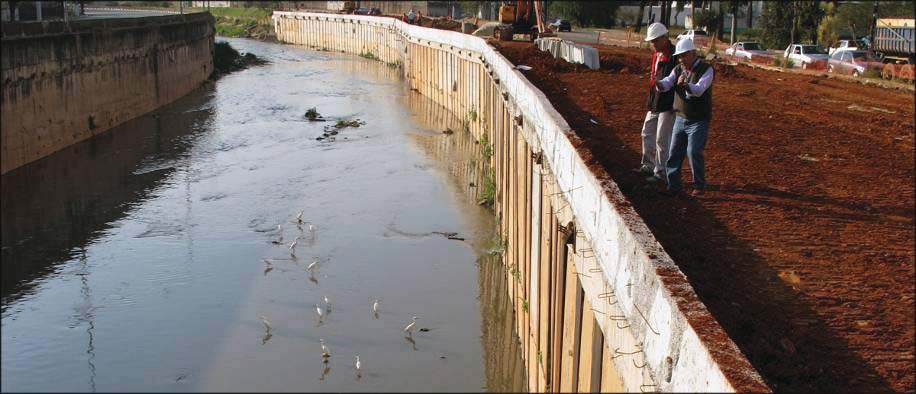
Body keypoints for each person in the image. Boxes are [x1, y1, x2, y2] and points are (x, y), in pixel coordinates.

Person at [655, 39, 715, 197]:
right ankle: (673, 184)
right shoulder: (678, 69)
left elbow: (699, 90)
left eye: (684, 56)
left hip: (698, 119)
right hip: (681, 117)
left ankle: (699, 185)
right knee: (675, 152)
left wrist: (686, 85)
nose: (681, 59)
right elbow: (667, 82)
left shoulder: (706, 70)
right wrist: (659, 84)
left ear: (693, 53)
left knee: (694, 151)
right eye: (679, 56)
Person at [634, 22, 677, 183]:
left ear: (665, 38)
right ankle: (648, 165)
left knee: (661, 139)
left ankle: (661, 173)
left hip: (668, 103)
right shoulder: (657, 55)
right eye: (651, 42)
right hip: (655, 101)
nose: (653, 44)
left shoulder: (674, 56)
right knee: (647, 132)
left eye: (655, 41)